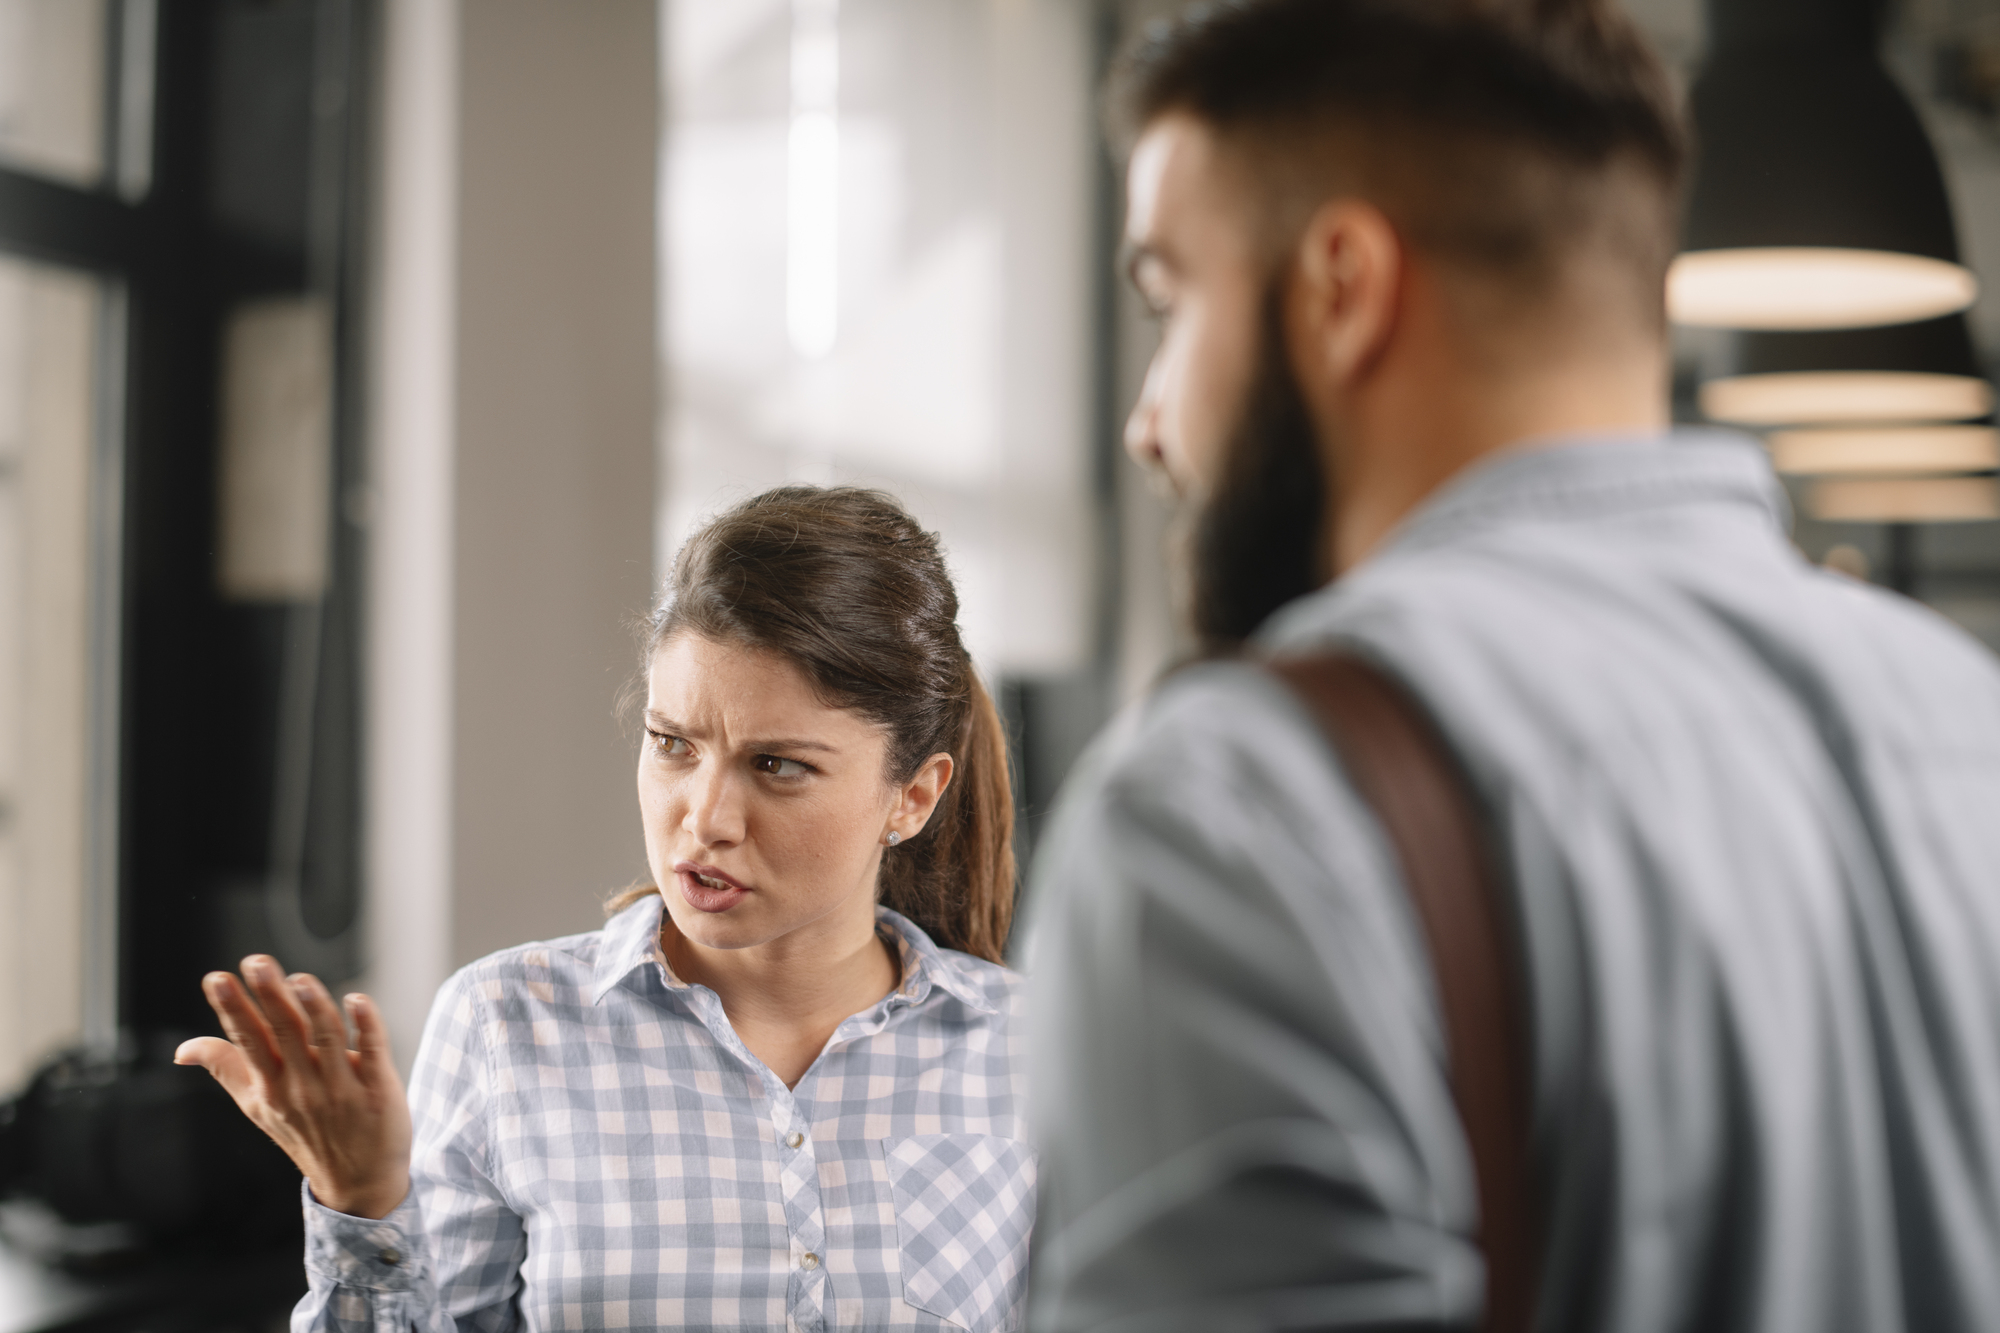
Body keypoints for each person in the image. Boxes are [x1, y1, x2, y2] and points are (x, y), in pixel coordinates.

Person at [1024, 2, 2000, 1331]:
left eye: (1169, 299)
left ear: (1342, 289)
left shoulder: (1236, 811)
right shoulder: (1967, 717)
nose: (1150, 422)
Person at [177, 487, 1035, 1333]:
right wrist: (363, 1204)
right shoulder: (504, 1026)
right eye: (673, 745)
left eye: (777, 765)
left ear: (913, 797)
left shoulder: (1032, 1052)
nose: (704, 819)